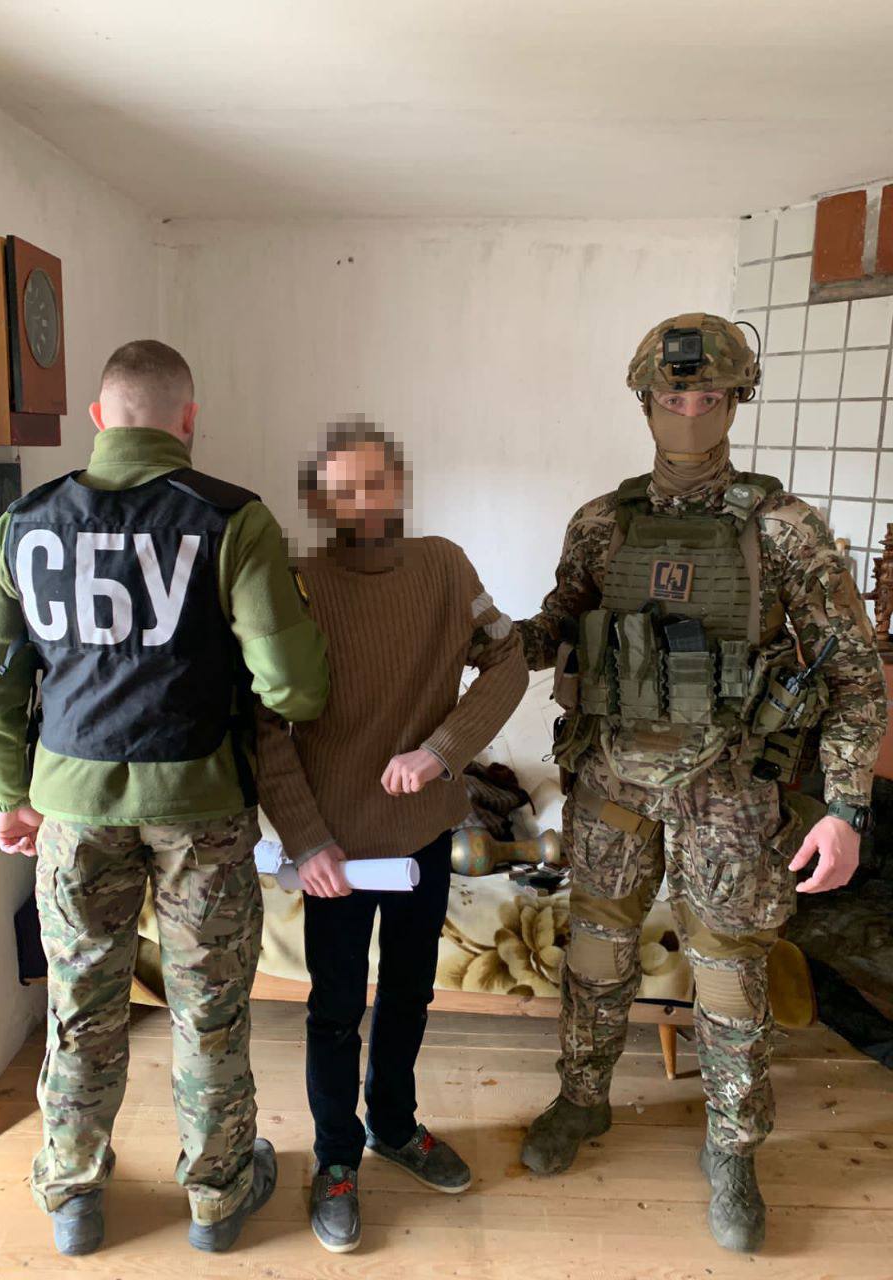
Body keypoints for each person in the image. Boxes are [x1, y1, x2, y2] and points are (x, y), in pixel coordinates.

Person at [516, 314, 885, 1253]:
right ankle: (582, 1099)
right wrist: (488, 637)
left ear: (736, 401)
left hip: (728, 790)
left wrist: (846, 807)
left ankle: (733, 1148)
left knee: (727, 973)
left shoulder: (783, 530)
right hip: (613, 780)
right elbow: (559, 622)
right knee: (595, 953)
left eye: (709, 396)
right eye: (674, 396)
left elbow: (855, 674)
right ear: (645, 402)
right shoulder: (601, 523)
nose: (690, 412)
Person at [0, 340, 329, 1257]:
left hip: (72, 811)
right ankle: (217, 1199)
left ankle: (74, 1198)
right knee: (209, 1009)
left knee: (81, 1006)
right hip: (201, 809)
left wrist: (9, 793)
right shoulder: (231, 519)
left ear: (98, 419)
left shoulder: (23, 525)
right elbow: (294, 688)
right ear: (188, 419)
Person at [255, 418, 528, 1253]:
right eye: (342, 490)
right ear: (319, 501)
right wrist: (306, 841)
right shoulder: (297, 586)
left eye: (375, 482)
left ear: (399, 485)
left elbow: (510, 659)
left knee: (410, 994)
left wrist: (443, 751)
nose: (362, 502)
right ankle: (337, 1160)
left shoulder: (445, 568)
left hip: (422, 837)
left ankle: (396, 1126)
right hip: (334, 852)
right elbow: (263, 726)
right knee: (336, 1009)